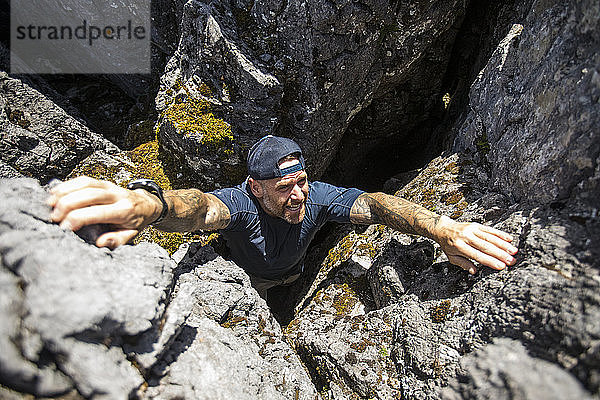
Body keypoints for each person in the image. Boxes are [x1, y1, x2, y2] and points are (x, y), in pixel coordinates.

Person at [47, 135, 518, 296]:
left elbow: (374, 204)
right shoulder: (239, 205)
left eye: (302, 181)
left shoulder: (315, 198)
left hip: (294, 277)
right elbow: (200, 208)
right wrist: (151, 205)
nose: (298, 195)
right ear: (255, 188)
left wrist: (441, 227)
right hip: (251, 284)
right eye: (283, 187)